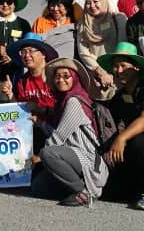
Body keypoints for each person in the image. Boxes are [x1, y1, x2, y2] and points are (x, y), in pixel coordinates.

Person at [96, 42, 144, 210]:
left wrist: (121, 138)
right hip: (132, 153)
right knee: (110, 194)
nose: (119, 70)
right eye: (115, 66)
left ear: (136, 68)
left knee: (139, 140)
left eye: (123, 66)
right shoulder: (119, 97)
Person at [33, 57, 108, 207]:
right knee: (38, 187)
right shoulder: (62, 101)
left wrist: (38, 157)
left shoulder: (74, 102)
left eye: (66, 76)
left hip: (87, 159)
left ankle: (83, 193)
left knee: (48, 153)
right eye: (57, 76)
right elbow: (60, 131)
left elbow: (58, 137)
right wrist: (40, 123)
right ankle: (75, 187)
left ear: (74, 78)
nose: (61, 80)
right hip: (71, 155)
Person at [7, 33, 59, 152]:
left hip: (56, 130)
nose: (27, 55)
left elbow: (64, 108)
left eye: (31, 51)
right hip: (31, 131)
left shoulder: (56, 76)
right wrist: (10, 94)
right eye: (23, 52)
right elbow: (20, 111)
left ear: (43, 54)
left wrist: (40, 108)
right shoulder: (22, 80)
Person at [75, 0, 127, 100]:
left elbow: (123, 45)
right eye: (88, 3)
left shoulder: (118, 19)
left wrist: (114, 70)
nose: (92, 6)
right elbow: (83, 52)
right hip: (97, 76)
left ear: (103, 1)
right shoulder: (83, 25)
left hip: (118, 72)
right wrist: (100, 71)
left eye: (95, 1)